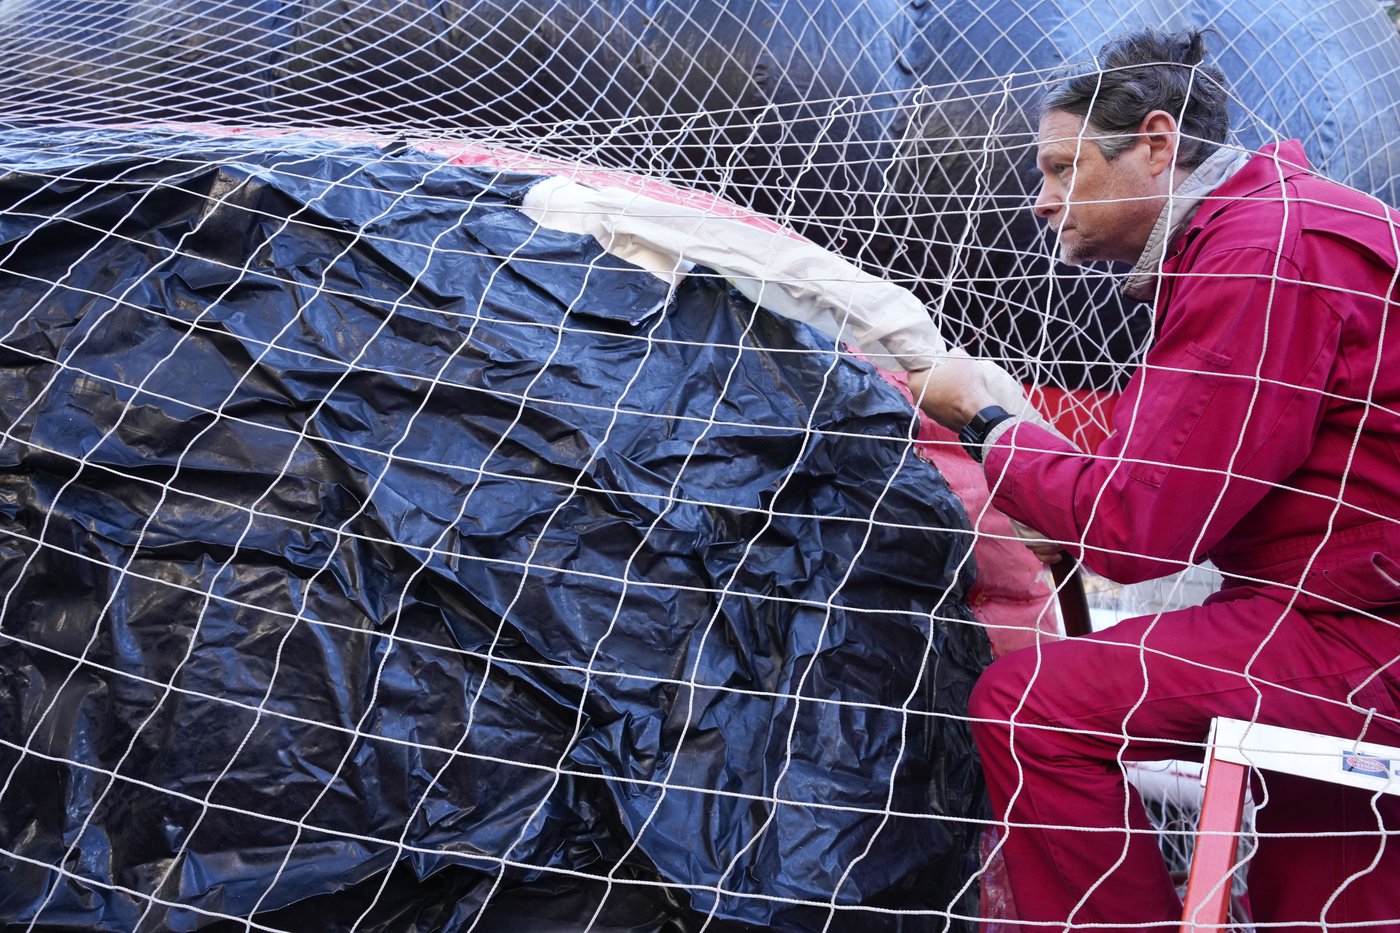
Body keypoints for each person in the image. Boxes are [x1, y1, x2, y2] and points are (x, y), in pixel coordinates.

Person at [906, 27, 1400, 929]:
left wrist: (988, 422)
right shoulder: (1299, 219)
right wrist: (1056, 474)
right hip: (1347, 608)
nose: (1042, 203)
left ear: (1158, 144)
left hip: (1359, 635)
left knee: (1029, 710)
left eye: (1062, 169)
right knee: (1331, 902)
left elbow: (1138, 532)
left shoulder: (1259, 254)